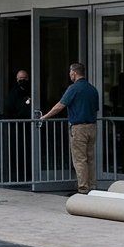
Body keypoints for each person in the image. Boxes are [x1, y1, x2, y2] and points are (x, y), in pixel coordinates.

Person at [39, 62, 100, 194]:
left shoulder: (73, 88)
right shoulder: (92, 89)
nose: (69, 75)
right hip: (92, 127)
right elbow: (95, 109)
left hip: (78, 128)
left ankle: (83, 188)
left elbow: (60, 106)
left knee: (80, 159)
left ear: (74, 73)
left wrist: (45, 116)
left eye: (70, 73)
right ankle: (93, 187)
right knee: (90, 158)